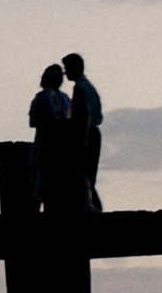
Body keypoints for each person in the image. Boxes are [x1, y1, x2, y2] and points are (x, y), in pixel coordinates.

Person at [28, 64, 75, 211]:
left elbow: (33, 121)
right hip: (62, 148)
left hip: (45, 145)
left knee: (39, 182)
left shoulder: (41, 97)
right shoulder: (67, 99)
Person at [63, 52, 105, 213]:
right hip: (91, 132)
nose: (66, 73)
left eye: (67, 68)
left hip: (87, 133)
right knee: (88, 174)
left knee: (83, 173)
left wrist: (82, 138)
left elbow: (85, 115)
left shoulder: (80, 87)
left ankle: (91, 207)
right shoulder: (88, 86)